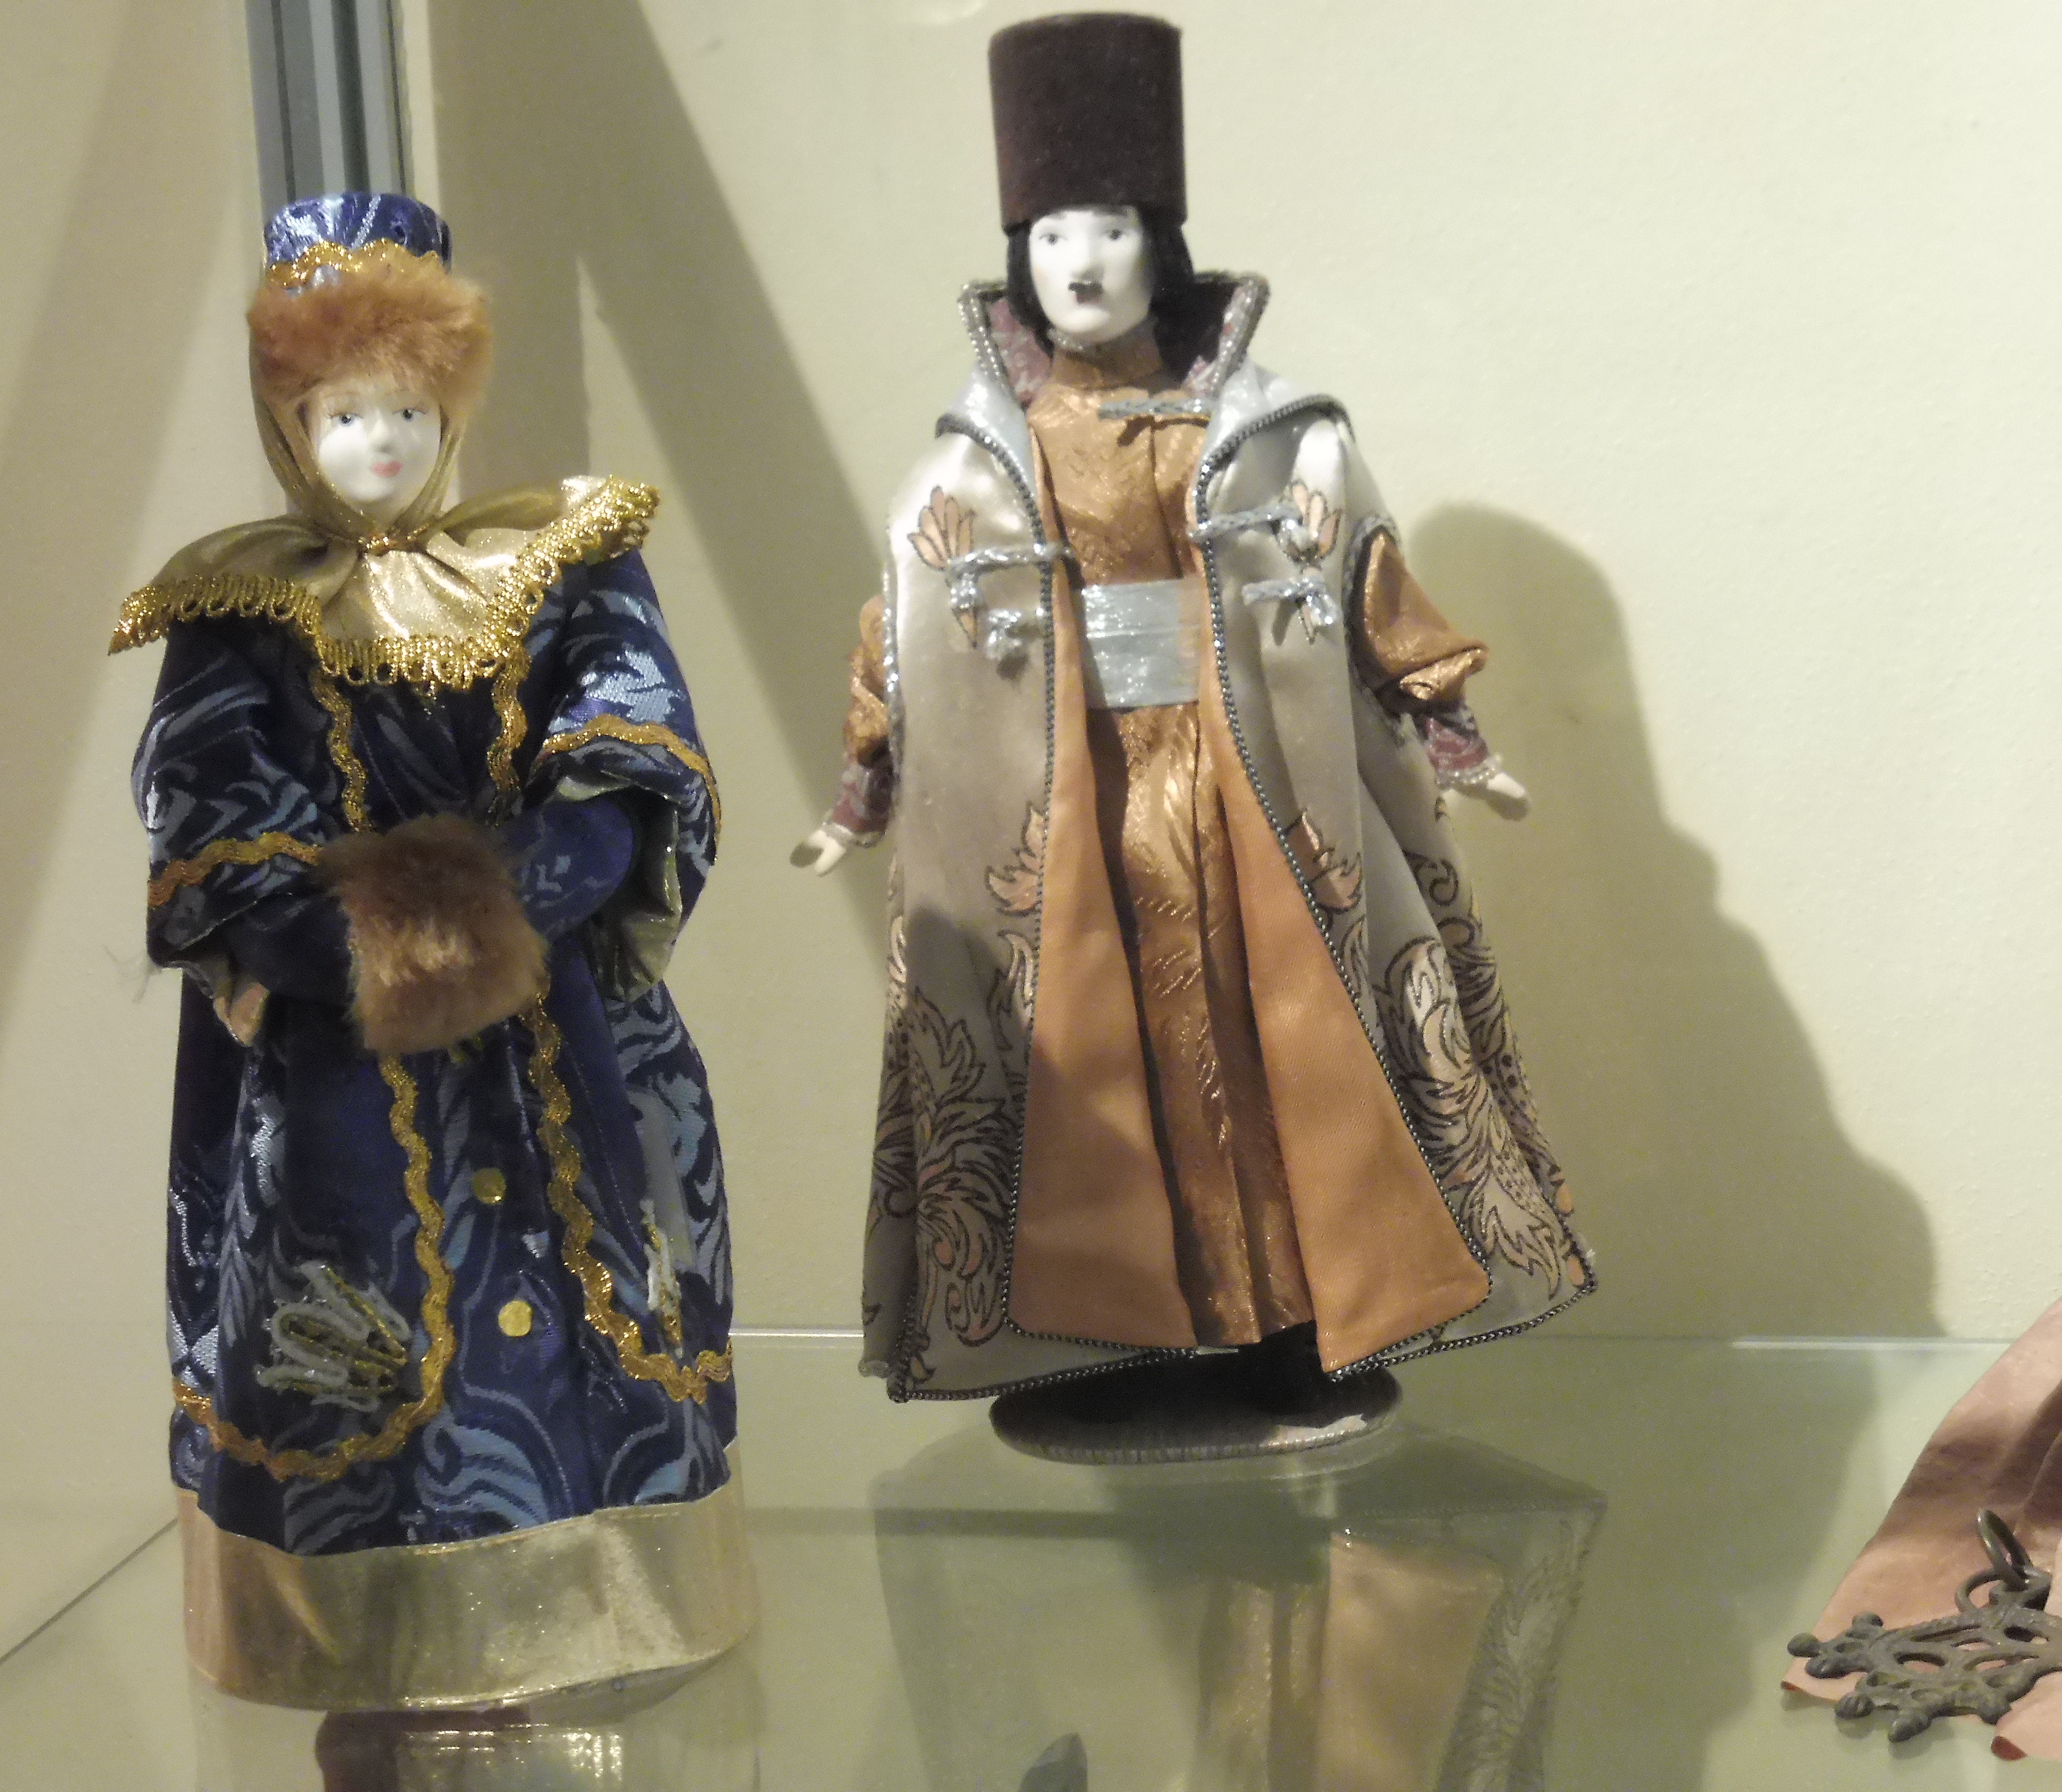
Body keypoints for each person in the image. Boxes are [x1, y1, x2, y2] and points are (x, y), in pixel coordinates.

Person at [798, 15, 1589, 1409]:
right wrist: (864, 783)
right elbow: (902, 625)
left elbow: (1367, 575)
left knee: (1265, 1036)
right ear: (1020, 256)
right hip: (1072, 785)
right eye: (1050, 234)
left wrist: (1453, 731)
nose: (1080, 262)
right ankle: (1112, 1331)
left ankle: (1286, 1320)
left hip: (1243, 779)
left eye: (1107, 229)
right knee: (1088, 1055)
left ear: (1156, 242)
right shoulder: (977, 459)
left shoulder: (1272, 430)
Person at [115, 191, 750, 1716]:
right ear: (288, 424)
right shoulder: (236, 611)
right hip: (339, 1056)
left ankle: (604, 1619)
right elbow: (214, 815)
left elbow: (626, 742)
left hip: (561, 1030)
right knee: (352, 1319)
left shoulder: (564, 561)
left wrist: (548, 871)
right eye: (341, 414)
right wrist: (382, 934)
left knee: (607, 1288)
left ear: (453, 406)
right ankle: (372, 1653)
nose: (381, 445)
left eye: (407, 409)